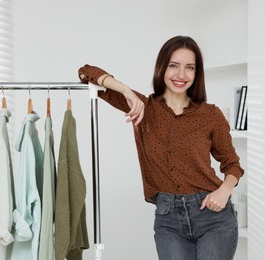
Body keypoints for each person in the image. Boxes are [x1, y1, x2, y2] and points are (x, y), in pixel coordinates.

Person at [78, 35, 244, 260]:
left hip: (212, 218)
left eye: (190, 68)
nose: (181, 75)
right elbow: (85, 72)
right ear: (162, 68)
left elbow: (232, 164)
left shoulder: (210, 115)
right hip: (169, 220)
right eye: (174, 66)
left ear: (197, 73)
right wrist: (126, 90)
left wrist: (224, 191)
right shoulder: (143, 107)